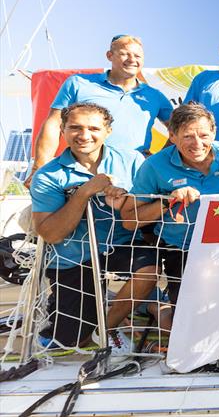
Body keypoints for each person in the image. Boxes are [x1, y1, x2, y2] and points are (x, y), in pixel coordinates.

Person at [30, 103, 158, 353]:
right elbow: (51, 234)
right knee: (69, 342)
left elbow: (147, 208)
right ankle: (77, 308)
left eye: (93, 128)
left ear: (108, 131)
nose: (84, 135)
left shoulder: (132, 160)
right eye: (75, 127)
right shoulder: (47, 176)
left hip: (120, 245)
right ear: (63, 131)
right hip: (72, 256)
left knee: (149, 268)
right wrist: (85, 192)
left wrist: (125, 201)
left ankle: (105, 326)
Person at [121, 102, 219, 305]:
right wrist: (169, 201)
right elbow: (129, 221)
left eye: (203, 135)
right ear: (172, 136)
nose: (197, 143)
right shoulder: (153, 166)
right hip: (183, 250)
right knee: (190, 314)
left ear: (214, 132)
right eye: (187, 136)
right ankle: (157, 310)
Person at [28, 35, 173, 185]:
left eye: (137, 56)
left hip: (133, 176)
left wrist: (159, 159)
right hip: (80, 171)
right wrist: (39, 168)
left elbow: (179, 130)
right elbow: (53, 123)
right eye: (124, 54)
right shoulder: (78, 83)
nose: (132, 59)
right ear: (109, 55)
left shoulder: (155, 96)